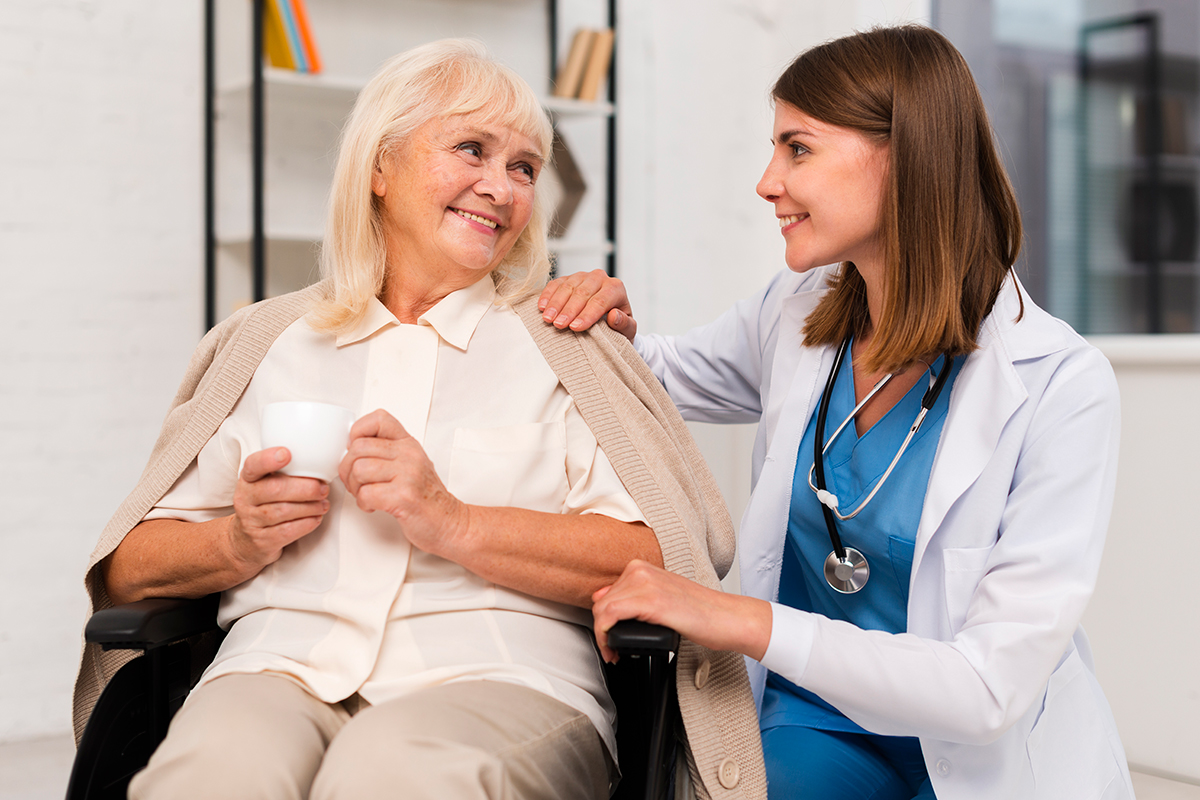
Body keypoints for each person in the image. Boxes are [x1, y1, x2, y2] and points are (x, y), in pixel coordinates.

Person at [72, 40, 767, 800]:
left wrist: (455, 521)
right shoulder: (263, 344)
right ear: (379, 167)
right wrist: (236, 539)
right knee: (204, 779)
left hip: (507, 673)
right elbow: (128, 563)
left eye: (524, 168)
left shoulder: (563, 346)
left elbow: (662, 555)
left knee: (396, 775)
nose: (499, 187)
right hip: (278, 666)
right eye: (471, 148)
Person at [540, 25, 1133, 800]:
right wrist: (607, 327)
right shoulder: (798, 310)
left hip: (979, 749)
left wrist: (736, 618)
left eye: (798, 148)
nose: (765, 181)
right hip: (812, 721)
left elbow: (987, 687)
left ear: (902, 156)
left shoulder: (1060, 385)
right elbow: (661, 378)